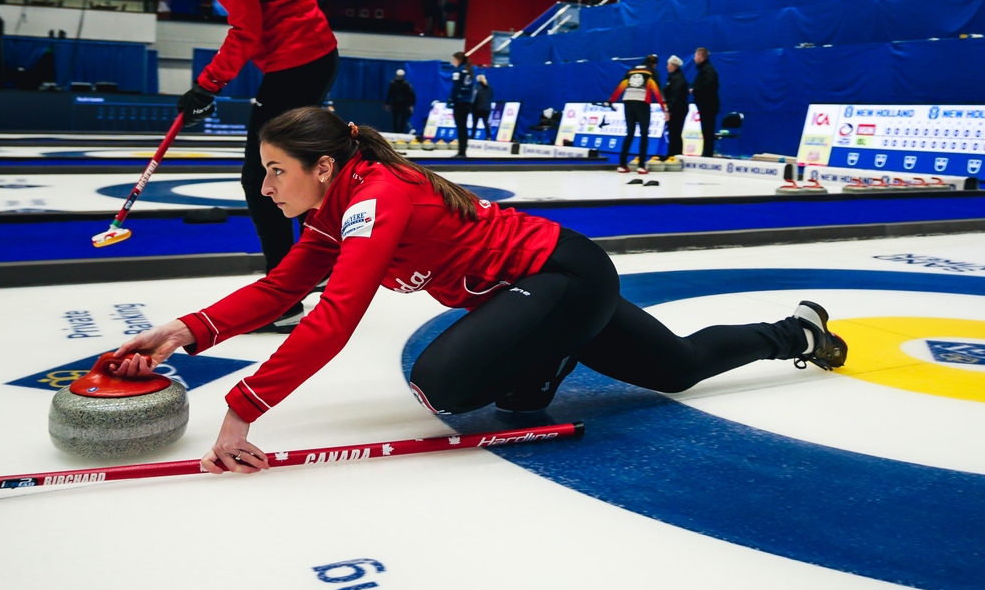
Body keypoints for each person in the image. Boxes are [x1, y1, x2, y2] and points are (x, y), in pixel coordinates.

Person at [109, 107, 848, 474]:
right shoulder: (335, 209)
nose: (265, 188)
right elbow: (282, 287)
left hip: (565, 275)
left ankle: (550, 355)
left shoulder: (377, 196)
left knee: (445, 385)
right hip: (541, 295)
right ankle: (796, 332)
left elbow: (335, 316)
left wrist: (242, 410)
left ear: (326, 166)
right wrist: (183, 330)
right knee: (677, 366)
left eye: (276, 170)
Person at [166, 0, 339, 333]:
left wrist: (207, 85)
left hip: (297, 61)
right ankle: (319, 266)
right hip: (307, 56)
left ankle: (284, 298)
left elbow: (246, 28)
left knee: (261, 179)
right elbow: (241, 1)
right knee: (296, 171)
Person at [607, 56, 665, 173]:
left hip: (628, 102)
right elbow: (657, 90)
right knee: (644, 133)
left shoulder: (631, 70)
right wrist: (665, 108)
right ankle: (641, 166)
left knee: (630, 133)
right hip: (642, 102)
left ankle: (622, 165)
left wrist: (611, 101)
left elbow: (621, 86)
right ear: (654, 64)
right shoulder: (651, 72)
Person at [691, 47, 720, 157]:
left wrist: (696, 90)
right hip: (705, 105)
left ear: (700, 56)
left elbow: (709, 87)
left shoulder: (708, 70)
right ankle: (706, 151)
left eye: (695, 56)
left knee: (708, 129)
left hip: (708, 105)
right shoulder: (704, 70)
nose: (694, 59)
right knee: (706, 129)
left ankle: (708, 152)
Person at [448, 51, 475, 157]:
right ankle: (463, 150)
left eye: (454, 60)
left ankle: (461, 152)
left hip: (459, 102)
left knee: (460, 127)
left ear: (458, 60)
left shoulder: (458, 71)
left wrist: (451, 99)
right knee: (463, 127)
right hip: (467, 101)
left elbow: (455, 87)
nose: (452, 62)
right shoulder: (469, 71)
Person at [663, 55, 689, 157]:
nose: (667, 67)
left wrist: (669, 109)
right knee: (673, 132)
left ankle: (676, 154)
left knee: (675, 132)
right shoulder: (673, 78)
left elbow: (675, 96)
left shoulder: (677, 79)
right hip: (676, 108)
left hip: (678, 109)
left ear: (674, 66)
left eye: (668, 65)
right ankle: (672, 153)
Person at [385, 69, 416, 134]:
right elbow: (410, 95)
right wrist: (410, 105)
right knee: (400, 118)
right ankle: (399, 131)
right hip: (402, 103)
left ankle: (397, 131)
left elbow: (389, 94)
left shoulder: (394, 83)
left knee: (397, 118)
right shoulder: (405, 84)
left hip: (397, 103)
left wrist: (387, 103)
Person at [469, 73, 493, 138]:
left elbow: (473, 98)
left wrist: (470, 106)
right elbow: (491, 96)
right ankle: (488, 137)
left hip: (477, 108)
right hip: (487, 108)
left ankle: (472, 136)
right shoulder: (489, 87)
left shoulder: (476, 87)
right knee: (486, 122)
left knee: (475, 123)